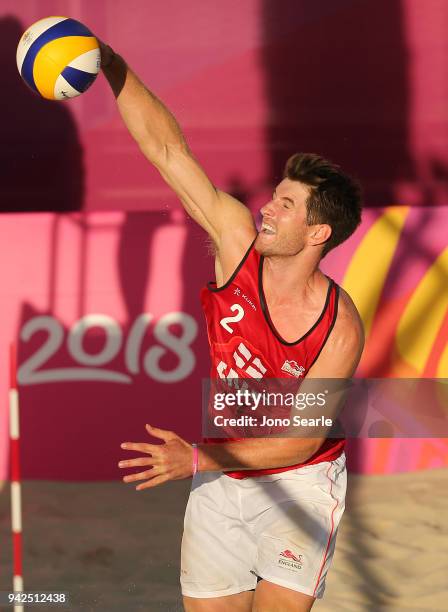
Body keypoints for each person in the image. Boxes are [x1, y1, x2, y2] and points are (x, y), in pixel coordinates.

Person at [101, 40, 365, 612]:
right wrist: (111, 64)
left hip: (300, 482)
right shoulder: (235, 243)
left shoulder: (338, 325)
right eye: (275, 197)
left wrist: (194, 458)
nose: (267, 208)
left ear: (318, 234)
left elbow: (299, 441)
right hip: (222, 475)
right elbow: (167, 150)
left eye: (287, 205)